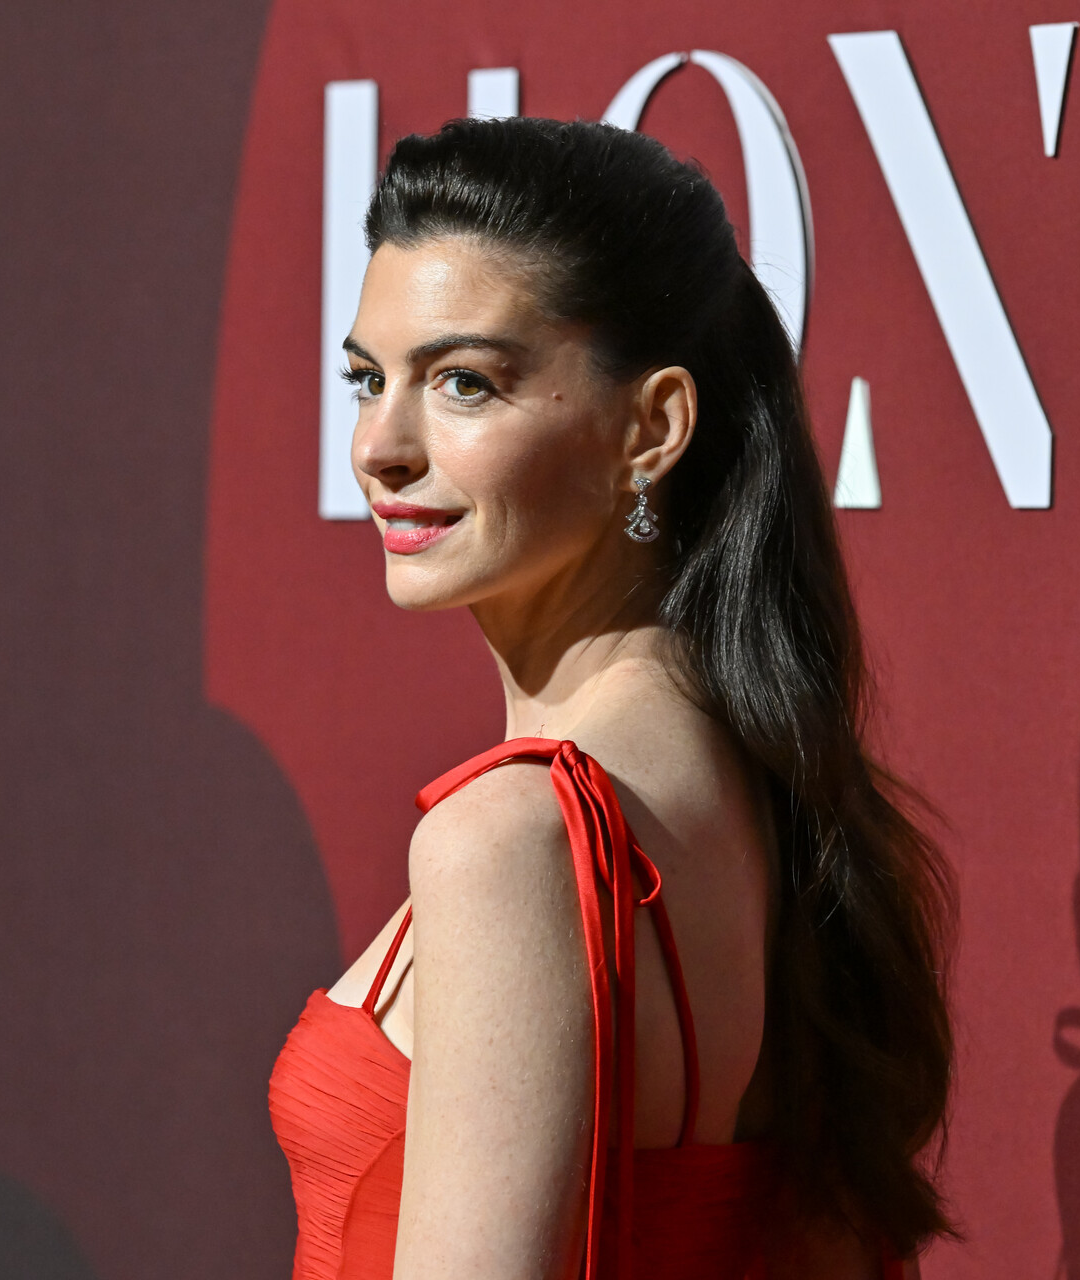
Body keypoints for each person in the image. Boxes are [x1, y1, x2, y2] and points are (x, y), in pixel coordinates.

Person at [269, 116, 955, 1280]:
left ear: (653, 427)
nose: (381, 446)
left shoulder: (508, 841)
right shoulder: (779, 797)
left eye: (465, 383)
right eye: (368, 379)